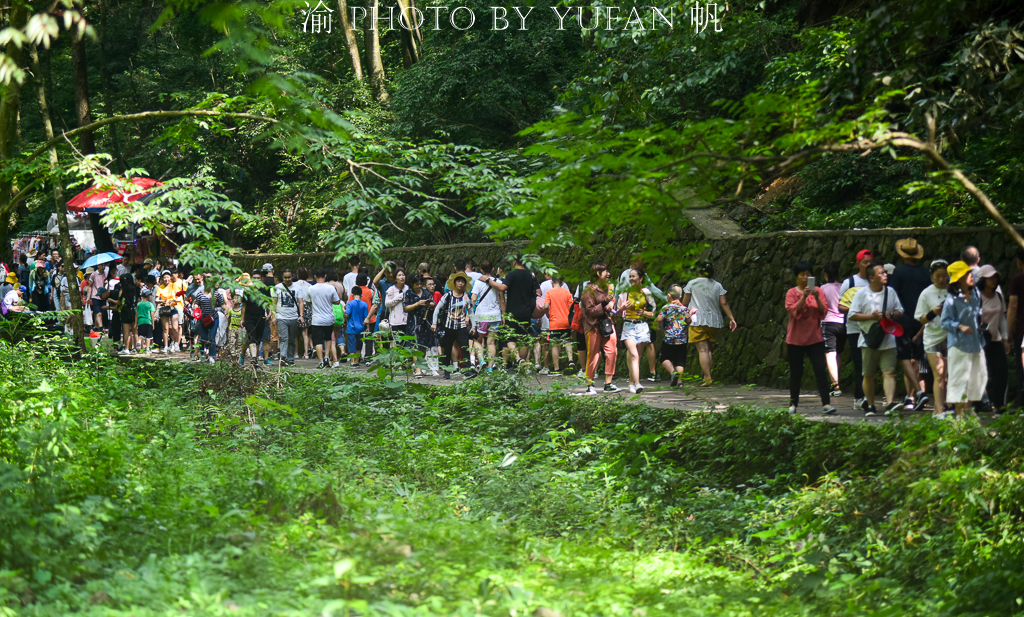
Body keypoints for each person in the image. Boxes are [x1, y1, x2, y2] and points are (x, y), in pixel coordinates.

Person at [848, 263, 905, 417]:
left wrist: (891, 315)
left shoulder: (890, 291)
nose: (885, 275)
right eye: (881, 273)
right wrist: (871, 317)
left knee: (889, 372)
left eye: (885, 273)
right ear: (872, 278)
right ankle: (871, 405)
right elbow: (852, 314)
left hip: (888, 339)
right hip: (869, 340)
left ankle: (890, 403)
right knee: (868, 375)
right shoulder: (862, 294)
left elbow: (900, 311)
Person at [784, 262, 837, 415]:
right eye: (802, 274)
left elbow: (824, 312)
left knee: (820, 370)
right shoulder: (791, 293)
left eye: (808, 274)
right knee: (796, 373)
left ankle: (826, 404)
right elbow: (794, 312)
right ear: (796, 277)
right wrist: (803, 297)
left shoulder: (819, 291)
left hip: (815, 338)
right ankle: (793, 404)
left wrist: (816, 298)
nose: (806, 277)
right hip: (795, 340)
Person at [889, 238, 931, 412]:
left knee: (905, 358)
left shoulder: (898, 272)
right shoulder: (925, 272)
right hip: (922, 319)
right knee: (918, 360)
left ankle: (915, 395)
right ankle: (913, 395)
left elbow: (892, 294)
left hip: (904, 320)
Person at [941, 260, 987, 419]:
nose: (971, 276)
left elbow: (976, 313)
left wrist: (979, 326)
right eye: (967, 274)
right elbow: (944, 322)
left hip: (976, 344)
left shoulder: (975, 294)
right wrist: (959, 326)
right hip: (958, 346)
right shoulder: (951, 300)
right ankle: (960, 414)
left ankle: (968, 411)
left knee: (976, 379)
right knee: (959, 381)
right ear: (958, 279)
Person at [681, 261, 737, 387]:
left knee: (702, 350)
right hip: (713, 320)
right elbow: (724, 303)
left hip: (697, 319)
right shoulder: (717, 285)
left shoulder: (692, 283)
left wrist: (681, 316)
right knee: (708, 349)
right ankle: (708, 375)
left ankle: (707, 377)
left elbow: (685, 303)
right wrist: (731, 318)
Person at [482, 254, 537, 364]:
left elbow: (502, 287)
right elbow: (536, 292)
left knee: (510, 339)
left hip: (513, 312)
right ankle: (521, 365)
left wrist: (488, 281)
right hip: (527, 311)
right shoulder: (530, 275)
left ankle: (518, 359)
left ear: (515, 262)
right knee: (524, 340)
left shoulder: (512, 274)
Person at [915, 260, 951, 416]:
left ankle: (948, 406)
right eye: (938, 276)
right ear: (932, 276)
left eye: (945, 275)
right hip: (932, 339)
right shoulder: (926, 293)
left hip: (950, 337)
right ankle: (938, 410)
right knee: (939, 374)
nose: (942, 279)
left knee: (948, 375)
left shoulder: (953, 291)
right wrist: (933, 313)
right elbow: (920, 318)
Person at [838, 249, 873, 409]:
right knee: (859, 363)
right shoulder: (849, 282)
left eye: (870, 262)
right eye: (865, 262)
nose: (868, 265)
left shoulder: (874, 281)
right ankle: (860, 397)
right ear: (858, 263)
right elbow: (840, 306)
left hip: (872, 329)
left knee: (870, 364)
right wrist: (855, 310)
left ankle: (863, 395)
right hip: (854, 329)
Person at [581, 262, 620, 394]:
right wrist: (604, 304)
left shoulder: (609, 287)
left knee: (612, 351)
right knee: (593, 355)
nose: (608, 274)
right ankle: (590, 384)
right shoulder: (588, 291)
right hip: (593, 326)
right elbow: (590, 311)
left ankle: (608, 383)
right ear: (598, 274)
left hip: (607, 324)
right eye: (605, 271)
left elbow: (612, 302)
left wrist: (612, 305)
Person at [619, 268, 658, 394]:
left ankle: (631, 382)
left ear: (640, 279)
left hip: (642, 326)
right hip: (628, 326)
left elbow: (653, 311)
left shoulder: (646, 292)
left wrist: (644, 312)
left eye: (633, 276)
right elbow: (616, 312)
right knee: (634, 355)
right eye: (630, 276)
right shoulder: (624, 293)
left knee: (637, 357)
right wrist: (622, 308)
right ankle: (637, 383)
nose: (631, 279)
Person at [431, 271, 476, 379]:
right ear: (455, 283)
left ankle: (467, 370)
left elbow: (470, 312)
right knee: (447, 348)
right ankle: (446, 371)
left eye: (462, 281)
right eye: (458, 281)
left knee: (465, 348)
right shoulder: (448, 295)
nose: (460, 283)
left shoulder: (466, 297)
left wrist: (473, 326)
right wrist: (434, 323)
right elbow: (437, 309)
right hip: (448, 326)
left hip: (461, 327)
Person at [978, 265, 1009, 413]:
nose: (993, 280)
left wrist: (1006, 338)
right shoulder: (977, 296)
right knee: (982, 372)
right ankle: (979, 403)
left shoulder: (998, 296)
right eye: (990, 277)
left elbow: (1002, 318)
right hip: (980, 341)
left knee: (1002, 372)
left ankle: (998, 404)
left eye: (995, 277)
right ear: (982, 280)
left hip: (995, 340)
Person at [304, 268, 341, 369]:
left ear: (315, 277)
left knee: (318, 341)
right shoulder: (331, 288)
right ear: (325, 276)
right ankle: (326, 358)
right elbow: (337, 301)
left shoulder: (311, 288)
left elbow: (307, 302)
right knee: (328, 338)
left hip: (316, 319)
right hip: (329, 318)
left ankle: (320, 361)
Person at [471, 260, 504, 372]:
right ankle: (490, 367)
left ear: (481, 270)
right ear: (493, 269)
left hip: (481, 316)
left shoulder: (478, 283)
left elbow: (474, 298)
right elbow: (502, 300)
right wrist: (503, 316)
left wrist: (470, 312)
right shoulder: (498, 282)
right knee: (491, 342)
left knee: (477, 340)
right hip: (495, 316)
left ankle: (481, 360)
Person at [656, 285, 691, 388]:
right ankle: (680, 383)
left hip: (669, 339)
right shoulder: (684, 309)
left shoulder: (666, 308)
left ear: (669, 295)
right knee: (680, 360)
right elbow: (689, 321)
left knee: (664, 357)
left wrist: (656, 323)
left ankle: (672, 372)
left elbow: (659, 319)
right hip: (682, 339)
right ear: (680, 296)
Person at [819, 262, 845, 396]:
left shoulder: (823, 288)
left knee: (830, 354)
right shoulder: (843, 287)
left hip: (828, 323)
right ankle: (836, 381)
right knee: (838, 354)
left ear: (826, 275)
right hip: (842, 323)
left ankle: (835, 385)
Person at [404, 274, 438, 376]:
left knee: (423, 346)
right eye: (416, 284)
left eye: (420, 284)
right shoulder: (408, 293)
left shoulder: (426, 292)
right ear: (412, 284)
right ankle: (418, 369)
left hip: (425, 322)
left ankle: (420, 366)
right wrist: (417, 304)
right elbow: (405, 308)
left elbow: (433, 303)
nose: (419, 286)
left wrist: (428, 304)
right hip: (413, 322)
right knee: (415, 345)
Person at [238, 269, 270, 368]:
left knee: (256, 339)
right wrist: (242, 319)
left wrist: (269, 315)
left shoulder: (265, 290)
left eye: (258, 278)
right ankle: (254, 359)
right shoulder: (247, 290)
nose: (256, 280)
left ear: (261, 279)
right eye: (254, 278)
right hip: (249, 318)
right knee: (252, 337)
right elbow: (244, 305)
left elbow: (268, 303)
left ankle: (243, 355)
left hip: (260, 317)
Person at [272, 269, 304, 366]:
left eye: (289, 277)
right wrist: (274, 316)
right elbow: (274, 302)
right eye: (285, 277)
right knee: (283, 338)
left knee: (292, 339)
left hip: (293, 317)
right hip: (281, 317)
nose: (287, 279)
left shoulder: (298, 287)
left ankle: (290, 359)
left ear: (292, 276)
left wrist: (301, 315)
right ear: (282, 278)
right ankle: (283, 357)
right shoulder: (277, 287)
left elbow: (301, 302)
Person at [543, 276, 574, 376]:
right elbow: (570, 307)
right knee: (567, 341)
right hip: (566, 321)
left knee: (555, 344)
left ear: (552, 282)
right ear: (562, 283)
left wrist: (547, 313)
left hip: (554, 322)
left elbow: (546, 306)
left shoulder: (549, 292)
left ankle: (557, 369)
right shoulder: (567, 292)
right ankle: (571, 360)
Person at [1006, 248, 1024, 408]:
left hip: (1022, 329)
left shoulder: (1017, 280)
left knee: (1022, 366)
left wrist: (1008, 332)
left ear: (1019, 262)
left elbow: (1013, 306)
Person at [344, 285, 370, 364]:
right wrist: (367, 328)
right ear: (361, 295)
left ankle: (352, 362)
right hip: (361, 328)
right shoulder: (364, 304)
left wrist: (343, 309)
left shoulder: (350, 303)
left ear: (352, 294)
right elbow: (366, 317)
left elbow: (347, 314)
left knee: (352, 346)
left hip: (351, 328)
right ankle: (357, 362)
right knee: (359, 346)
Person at [385, 269, 409, 346]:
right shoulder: (391, 289)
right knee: (398, 344)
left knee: (406, 343)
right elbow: (387, 303)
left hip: (407, 321)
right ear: (395, 278)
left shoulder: (408, 289)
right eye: (399, 275)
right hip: (395, 322)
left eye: (403, 275)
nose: (402, 277)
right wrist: (399, 297)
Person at [88, 263, 108, 333]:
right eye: (102, 265)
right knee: (98, 313)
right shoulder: (93, 274)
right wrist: (88, 297)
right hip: (95, 296)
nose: (103, 267)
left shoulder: (106, 274)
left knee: (101, 313)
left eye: (104, 265)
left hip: (103, 296)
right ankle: (101, 327)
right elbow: (90, 286)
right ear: (98, 266)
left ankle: (96, 327)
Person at [137, 289, 155, 353]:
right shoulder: (150, 304)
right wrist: (153, 323)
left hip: (140, 321)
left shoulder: (139, 304)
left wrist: (136, 323)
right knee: (148, 336)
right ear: (148, 296)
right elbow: (152, 314)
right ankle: (147, 349)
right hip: (148, 321)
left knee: (141, 334)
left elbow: (136, 314)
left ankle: (139, 341)